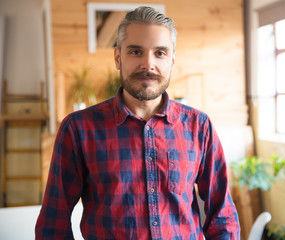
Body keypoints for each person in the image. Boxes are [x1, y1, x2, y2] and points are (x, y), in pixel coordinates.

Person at [35, 6, 240, 239]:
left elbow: (223, 218)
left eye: (160, 53)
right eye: (135, 52)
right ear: (117, 57)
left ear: (172, 60)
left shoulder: (199, 127)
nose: (148, 64)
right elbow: (53, 224)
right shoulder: (78, 129)